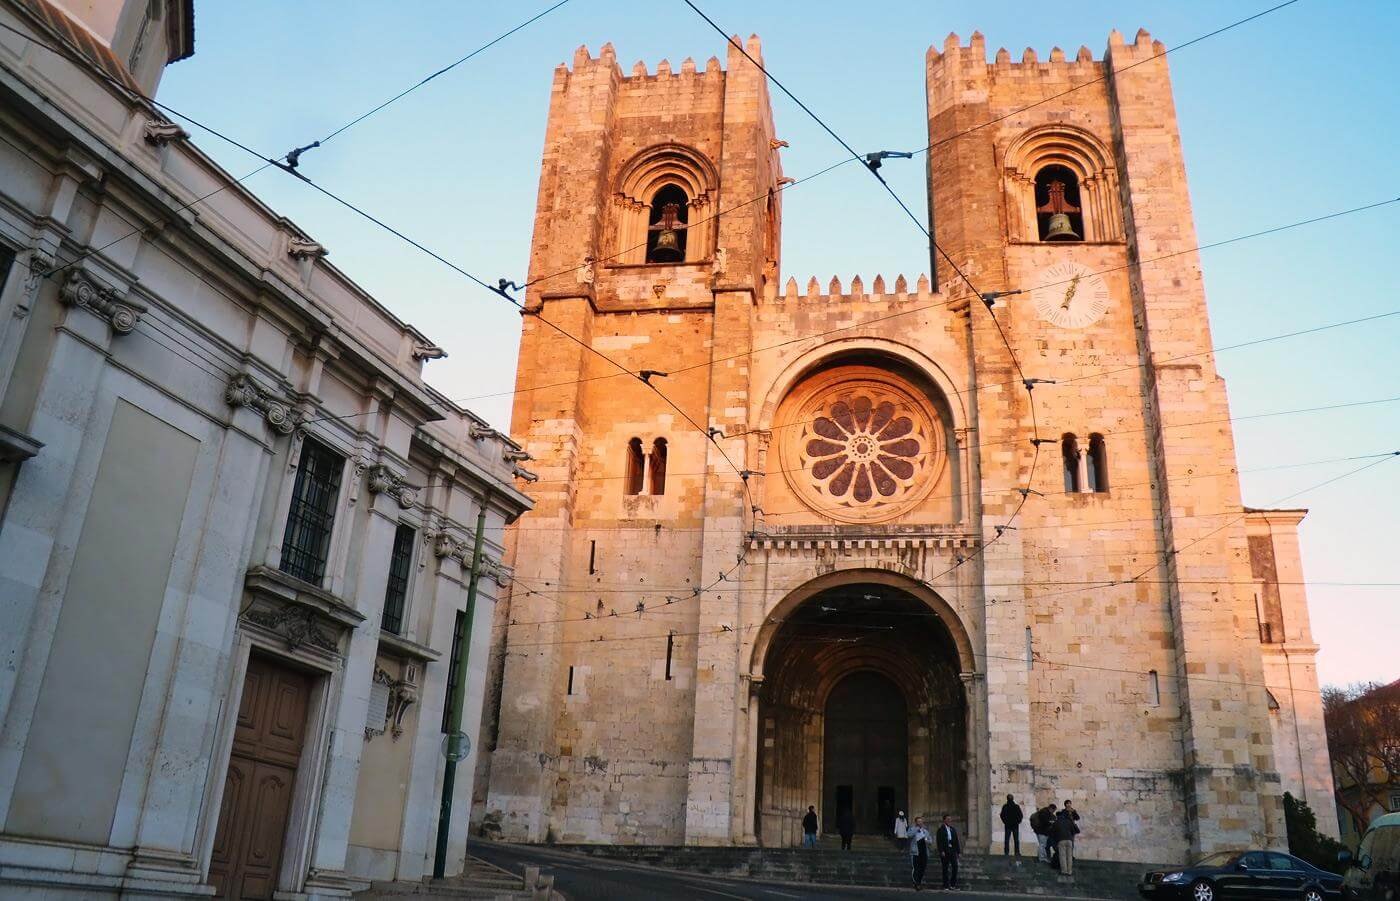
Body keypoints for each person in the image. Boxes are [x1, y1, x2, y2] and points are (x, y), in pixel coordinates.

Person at [1051, 804, 1080, 876]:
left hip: (1061, 840)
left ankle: (1064, 871)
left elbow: (1052, 832)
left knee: (1062, 856)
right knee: (1069, 856)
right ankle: (1069, 871)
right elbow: (1076, 830)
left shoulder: (1056, 822)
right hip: (1069, 840)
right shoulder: (1069, 821)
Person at [936, 813, 961, 890]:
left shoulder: (952, 829)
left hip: (952, 850)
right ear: (944, 820)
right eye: (947, 819)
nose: (949, 821)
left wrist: (958, 852)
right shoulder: (940, 830)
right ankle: (945, 885)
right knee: (945, 868)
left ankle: (953, 885)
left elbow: (956, 840)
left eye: (950, 819)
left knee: (955, 866)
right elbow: (939, 841)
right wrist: (941, 851)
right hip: (945, 850)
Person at [907, 815, 932, 891]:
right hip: (915, 852)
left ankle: (919, 882)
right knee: (916, 868)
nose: (920, 823)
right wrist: (916, 829)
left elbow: (930, 841)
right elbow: (909, 835)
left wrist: (926, 840)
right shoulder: (912, 829)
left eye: (921, 821)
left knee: (922, 868)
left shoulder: (925, 831)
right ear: (916, 822)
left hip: (924, 852)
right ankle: (916, 883)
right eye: (918, 821)